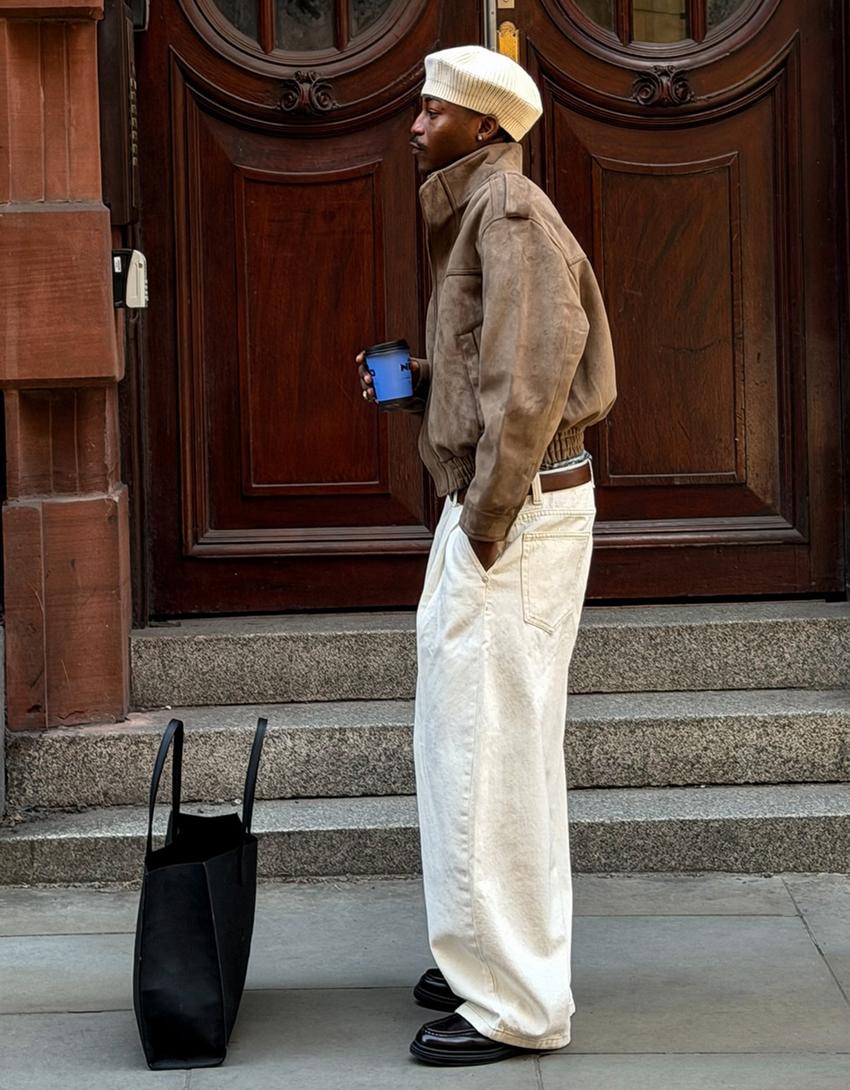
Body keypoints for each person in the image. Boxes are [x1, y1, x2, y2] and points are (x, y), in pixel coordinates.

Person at [358, 44, 616, 1067]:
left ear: (485, 127)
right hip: (496, 506)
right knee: (465, 741)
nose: (415, 127)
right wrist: (425, 383)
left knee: (491, 755)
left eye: (433, 112)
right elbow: (496, 363)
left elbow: (542, 367)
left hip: (509, 512)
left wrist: (488, 514)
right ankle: (482, 956)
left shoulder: (508, 215)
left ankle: (515, 1003)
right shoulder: (479, 213)